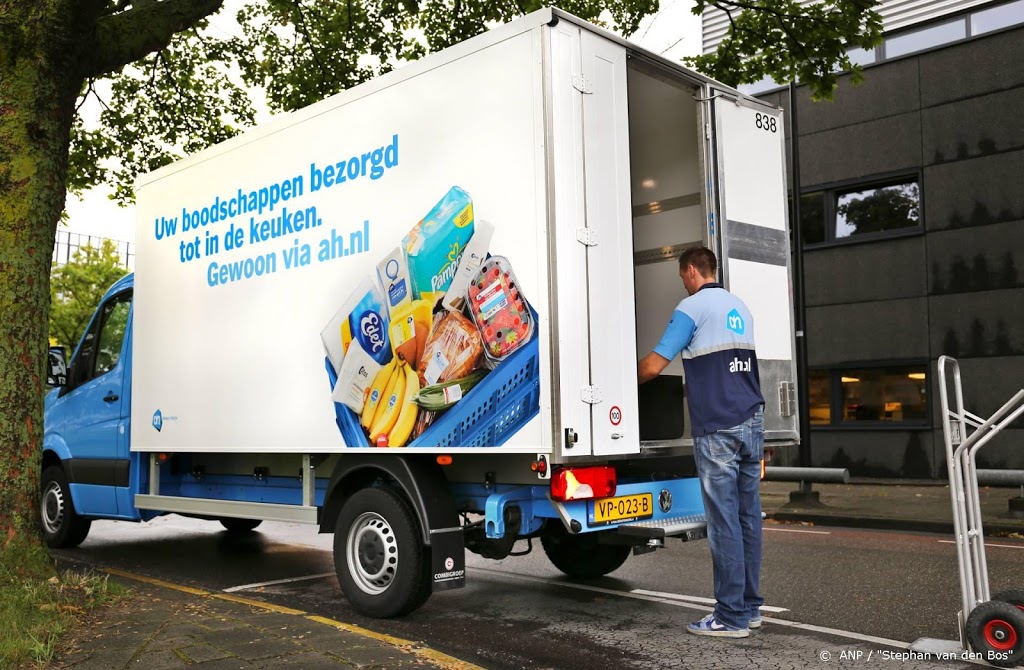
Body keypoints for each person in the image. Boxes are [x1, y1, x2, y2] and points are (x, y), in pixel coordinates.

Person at [637, 246, 765, 639]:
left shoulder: (691, 308)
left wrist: (617, 385)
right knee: (747, 518)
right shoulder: (739, 307)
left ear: (691, 270)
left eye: (682, 275)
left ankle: (729, 617)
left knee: (724, 521)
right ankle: (750, 608)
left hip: (719, 427)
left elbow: (655, 364)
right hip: (751, 420)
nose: (683, 282)